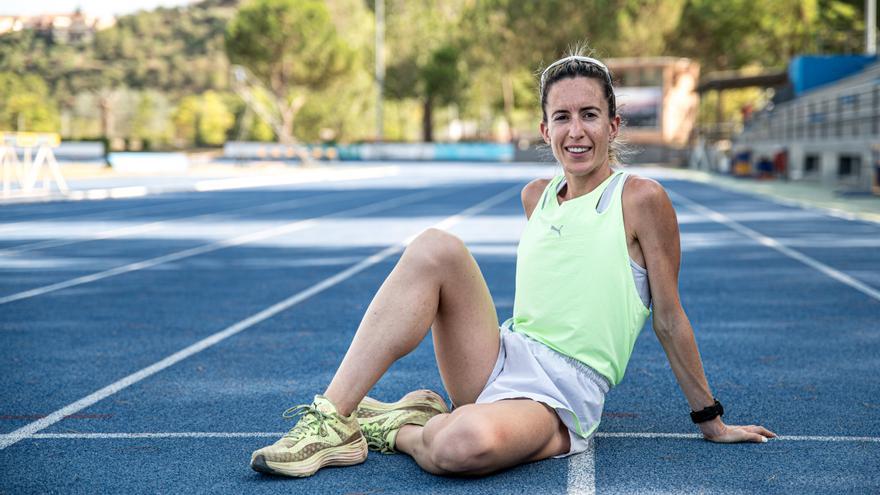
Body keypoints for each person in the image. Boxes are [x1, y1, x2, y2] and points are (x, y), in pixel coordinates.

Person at [249, 51, 777, 479]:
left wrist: (711, 420)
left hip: (562, 392)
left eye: (589, 115)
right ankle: (332, 419)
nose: (576, 131)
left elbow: (669, 318)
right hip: (499, 358)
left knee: (459, 445)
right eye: (562, 117)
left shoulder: (640, 199)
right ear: (544, 128)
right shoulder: (535, 196)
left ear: (614, 124)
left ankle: (398, 430)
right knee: (436, 246)